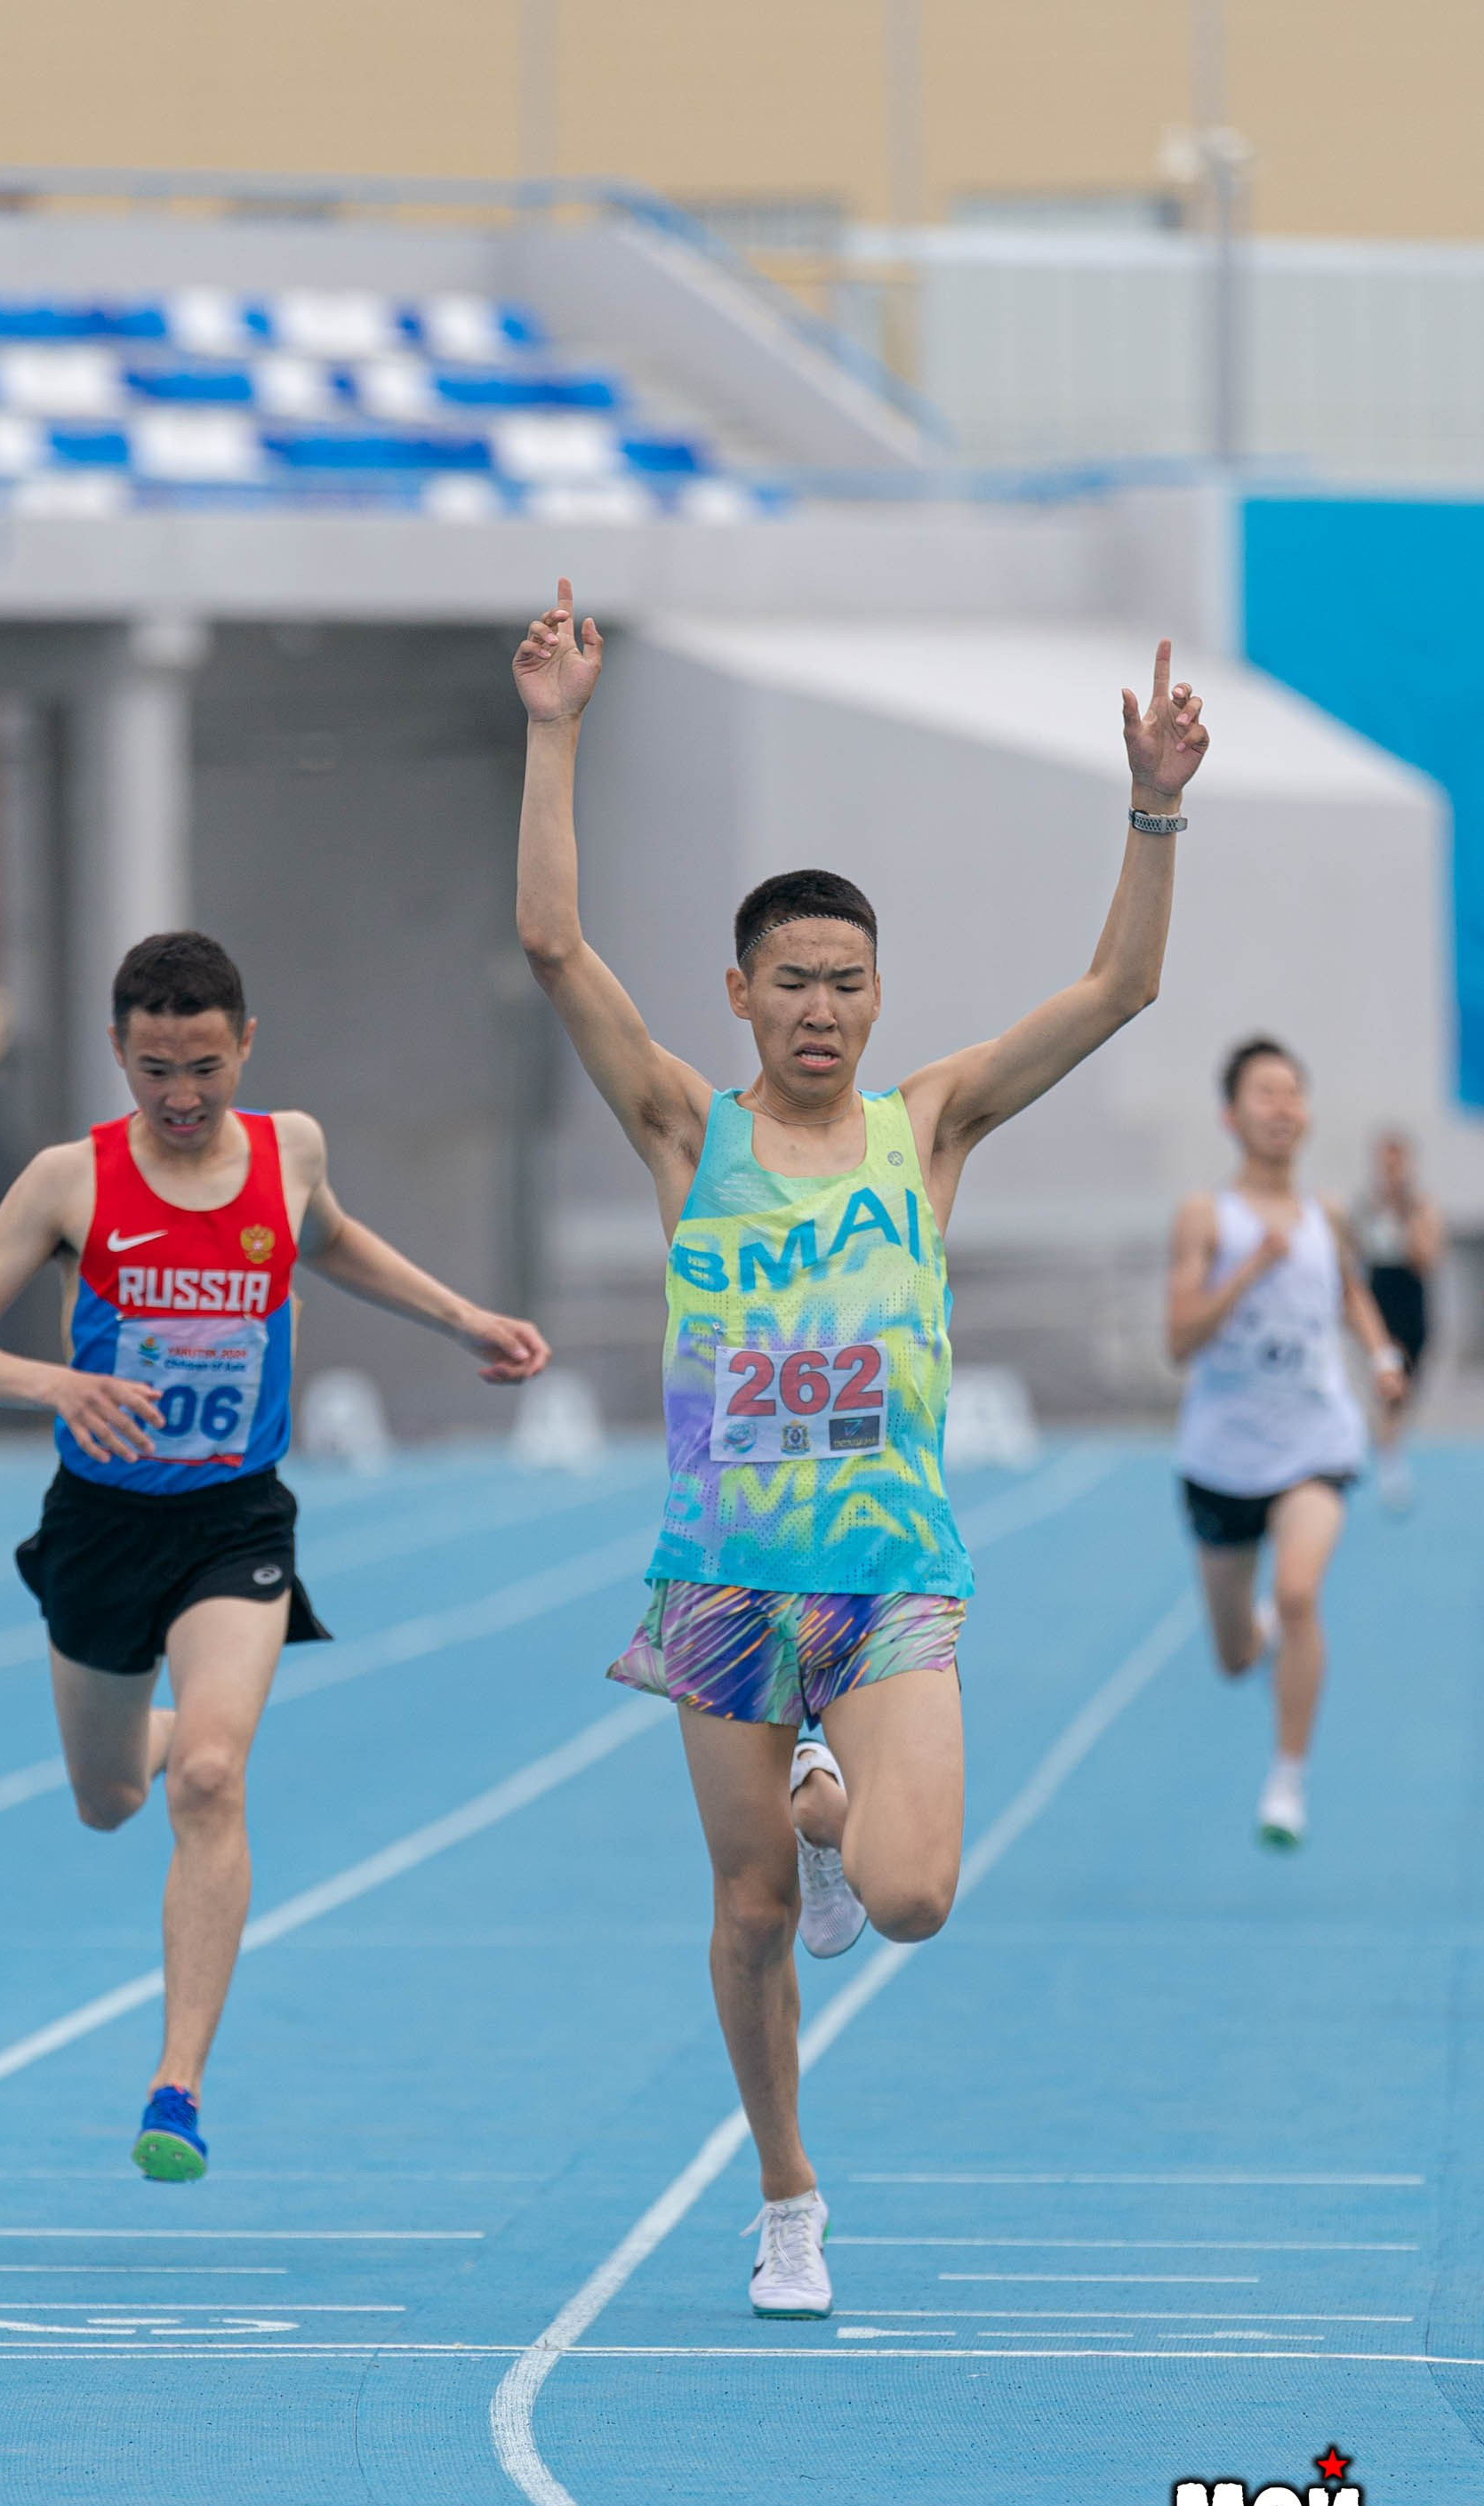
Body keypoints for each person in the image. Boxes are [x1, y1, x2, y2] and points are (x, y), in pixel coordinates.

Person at [511, 578, 1208, 2317]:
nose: (821, 1010)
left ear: (880, 995)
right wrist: (552, 730)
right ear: (739, 992)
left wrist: (1151, 807)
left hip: (888, 1576)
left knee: (902, 1898)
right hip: (728, 1578)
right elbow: (548, 952)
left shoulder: (930, 1125)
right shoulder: (688, 1129)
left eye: (849, 983)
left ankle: (841, 1813)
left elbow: (1118, 988)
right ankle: (788, 2194)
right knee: (751, 1913)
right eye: (792, 984)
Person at [0, 930, 549, 2181]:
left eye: (204, 1065)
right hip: (101, 1523)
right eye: (156, 1070)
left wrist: (464, 1315)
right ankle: (143, 1734)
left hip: (235, 1521)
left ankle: (176, 2087)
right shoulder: (68, 1183)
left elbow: (335, 1238)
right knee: (111, 1799)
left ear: (245, 1043)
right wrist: (60, 1382)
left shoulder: (288, 1148)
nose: (184, 1097)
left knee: (211, 1775)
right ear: (118, 1054)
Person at [1167, 1038, 1407, 1850]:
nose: (1281, 1107)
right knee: (1235, 1656)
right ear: (1232, 1116)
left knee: (1302, 1592)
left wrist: (1379, 1358)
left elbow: (1349, 1293)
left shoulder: (1326, 1213)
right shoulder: (1208, 1216)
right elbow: (1179, 1339)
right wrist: (1246, 1274)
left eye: (1292, 1092)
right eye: (1264, 1094)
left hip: (1317, 1442)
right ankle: (1260, 1634)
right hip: (1223, 1460)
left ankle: (1287, 1782)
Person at [1353, 1128, 1443, 1512]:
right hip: (1380, 1304)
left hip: (1410, 1302)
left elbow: (1427, 1257)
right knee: (1389, 1381)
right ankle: (1389, 1459)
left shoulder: (1420, 1206)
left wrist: (1405, 1225)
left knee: (1405, 1388)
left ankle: (1389, 1446)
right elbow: (1354, 1255)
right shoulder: (1365, 1206)